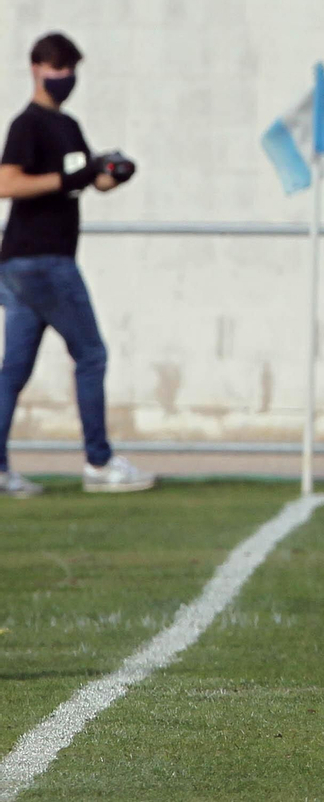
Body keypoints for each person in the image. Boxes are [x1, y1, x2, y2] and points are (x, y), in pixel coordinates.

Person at [0, 32, 155, 497]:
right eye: (55, 69)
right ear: (35, 69)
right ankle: (99, 461)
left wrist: (112, 174)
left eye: (69, 70)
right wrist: (70, 176)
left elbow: (86, 181)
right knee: (91, 354)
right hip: (40, 260)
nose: (63, 78)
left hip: (32, 264)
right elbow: (7, 183)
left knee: (14, 369)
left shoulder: (68, 127)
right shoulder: (27, 125)